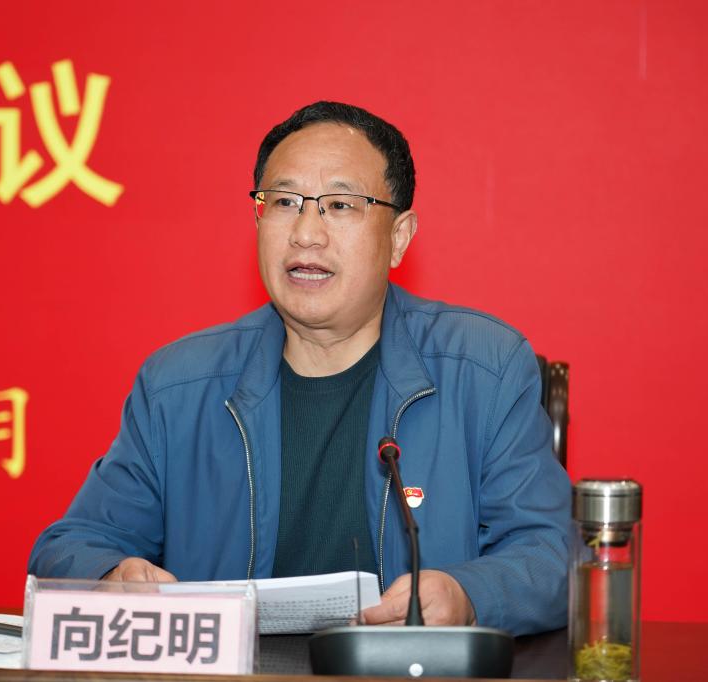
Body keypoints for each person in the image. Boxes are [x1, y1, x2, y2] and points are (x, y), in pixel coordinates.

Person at [28, 101, 571, 635]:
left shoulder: (485, 369)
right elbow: (71, 546)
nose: (306, 233)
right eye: (285, 201)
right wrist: (111, 578)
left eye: (340, 205)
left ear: (399, 238)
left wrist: (468, 595)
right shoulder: (177, 386)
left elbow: (551, 553)